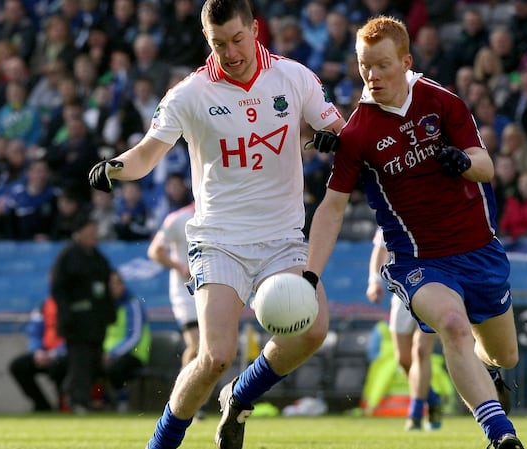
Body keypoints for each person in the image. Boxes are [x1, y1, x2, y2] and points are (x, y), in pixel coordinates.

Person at [88, 1, 345, 447]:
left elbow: (338, 130)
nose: (230, 52)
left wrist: (327, 137)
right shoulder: (189, 93)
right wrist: (114, 167)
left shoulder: (294, 77)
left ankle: (240, 397)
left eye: (237, 39)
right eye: (218, 43)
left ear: (255, 29)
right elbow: (147, 154)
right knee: (214, 356)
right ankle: (161, 443)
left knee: (315, 330)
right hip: (218, 241)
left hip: (282, 238)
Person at [305, 16, 523, 449]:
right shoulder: (357, 132)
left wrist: (462, 162)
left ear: (406, 61)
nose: (373, 75)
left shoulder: (443, 102)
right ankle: (502, 437)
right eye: (365, 65)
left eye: (383, 65)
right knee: (454, 326)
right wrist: (310, 275)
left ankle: (489, 372)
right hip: (416, 260)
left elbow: (487, 166)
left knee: (504, 355)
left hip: (478, 249)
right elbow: (331, 208)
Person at [366, 229, 442, 431]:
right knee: (404, 360)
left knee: (421, 351)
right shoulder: (394, 212)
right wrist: (374, 281)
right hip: (402, 292)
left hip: (433, 288)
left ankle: (415, 414)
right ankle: (432, 398)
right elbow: (380, 250)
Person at [51, 214, 116, 414]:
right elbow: (59, 289)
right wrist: (66, 313)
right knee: (79, 362)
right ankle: (77, 400)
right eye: (89, 233)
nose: (93, 237)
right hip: (76, 322)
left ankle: (89, 399)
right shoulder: (67, 256)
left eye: (95, 233)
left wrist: (109, 312)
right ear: (78, 233)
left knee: (94, 363)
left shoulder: (99, 258)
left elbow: (107, 287)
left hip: (96, 322)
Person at [147, 202, 200, 370]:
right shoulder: (178, 218)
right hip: (186, 293)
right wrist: (181, 267)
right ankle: (187, 395)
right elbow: (155, 250)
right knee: (197, 346)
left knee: (215, 349)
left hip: (214, 289)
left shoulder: (221, 215)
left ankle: (206, 393)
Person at [8, 294, 67, 412]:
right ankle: (42, 406)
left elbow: (78, 337)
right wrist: (37, 351)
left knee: (59, 366)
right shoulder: (45, 305)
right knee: (18, 366)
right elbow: (34, 332)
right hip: (43, 353)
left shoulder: (76, 303)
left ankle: (64, 405)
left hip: (66, 354)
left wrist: (56, 353)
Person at [104, 271, 152, 413]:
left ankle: (122, 401)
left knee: (115, 367)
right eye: (109, 284)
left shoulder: (132, 304)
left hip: (134, 353)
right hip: (108, 354)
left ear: (122, 285)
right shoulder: (105, 306)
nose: (112, 288)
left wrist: (112, 353)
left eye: (115, 284)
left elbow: (134, 336)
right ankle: (98, 402)